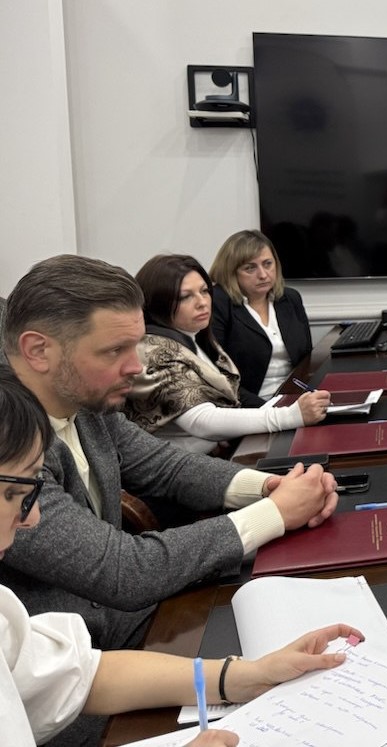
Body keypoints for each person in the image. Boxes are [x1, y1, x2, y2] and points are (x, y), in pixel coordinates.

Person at [0, 364, 358, 747]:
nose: (33, 518)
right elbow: (122, 572)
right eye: (15, 495)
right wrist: (275, 512)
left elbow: (77, 675)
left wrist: (248, 675)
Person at [0, 255, 339, 654]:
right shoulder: (10, 445)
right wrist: (276, 513)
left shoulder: (83, 399)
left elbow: (166, 466)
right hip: (76, 665)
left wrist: (271, 487)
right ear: (38, 350)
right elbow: (122, 571)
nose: (135, 366)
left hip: (127, 626)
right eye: (115, 350)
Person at [125, 254, 329, 453]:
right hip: (178, 468)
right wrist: (289, 416)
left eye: (204, 291)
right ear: (158, 303)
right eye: (186, 296)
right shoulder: (154, 350)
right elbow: (202, 422)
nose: (202, 302)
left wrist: (224, 432)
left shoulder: (194, 336)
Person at [209, 230, 314, 402]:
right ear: (230, 272)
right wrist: (268, 411)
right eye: (250, 268)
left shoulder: (290, 298)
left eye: (268, 264)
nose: (263, 275)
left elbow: (306, 359)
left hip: (295, 398)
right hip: (248, 405)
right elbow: (218, 377)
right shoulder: (218, 303)